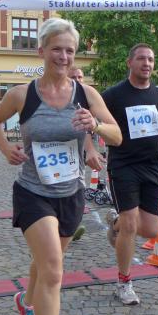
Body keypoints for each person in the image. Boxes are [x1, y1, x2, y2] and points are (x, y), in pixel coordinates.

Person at [0, 18, 121, 315]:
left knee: (45, 264)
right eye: (56, 49)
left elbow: (117, 135)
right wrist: (5, 148)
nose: (63, 56)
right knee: (53, 270)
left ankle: (26, 303)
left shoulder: (86, 95)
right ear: (41, 51)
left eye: (70, 50)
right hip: (33, 193)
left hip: (70, 194)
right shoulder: (22, 95)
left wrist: (95, 126)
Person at [103, 43, 158, 306]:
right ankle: (124, 283)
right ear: (129, 62)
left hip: (152, 167)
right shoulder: (113, 95)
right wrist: (90, 150)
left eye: (151, 59)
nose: (147, 63)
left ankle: (115, 224)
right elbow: (92, 124)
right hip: (123, 165)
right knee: (131, 225)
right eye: (141, 58)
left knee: (152, 230)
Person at [67, 66, 105, 242]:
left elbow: (90, 127)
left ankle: (72, 226)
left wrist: (90, 149)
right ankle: (62, 228)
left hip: (78, 153)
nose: (77, 80)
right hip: (60, 152)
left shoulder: (88, 97)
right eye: (73, 77)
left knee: (77, 188)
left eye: (80, 77)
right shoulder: (59, 97)